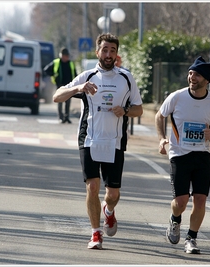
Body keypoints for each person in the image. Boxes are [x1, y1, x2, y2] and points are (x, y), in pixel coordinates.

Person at [52, 33, 143, 249]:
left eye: (112, 50)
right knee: (93, 187)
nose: (109, 54)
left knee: (112, 194)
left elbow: (139, 108)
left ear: (116, 53)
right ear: (97, 52)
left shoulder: (126, 78)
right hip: (89, 139)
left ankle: (108, 211)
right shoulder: (88, 76)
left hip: (115, 141)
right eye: (105, 50)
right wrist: (78, 88)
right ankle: (95, 233)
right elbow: (57, 95)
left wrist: (126, 110)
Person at [154, 56, 210, 254]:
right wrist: (161, 139)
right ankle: (175, 220)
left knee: (200, 200)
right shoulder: (177, 97)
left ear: (207, 80)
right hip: (179, 154)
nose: (192, 77)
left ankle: (191, 238)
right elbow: (160, 115)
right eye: (191, 73)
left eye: (197, 75)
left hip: (202, 156)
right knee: (180, 202)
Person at [44, 47, 77, 123]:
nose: (66, 57)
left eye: (67, 56)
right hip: (60, 85)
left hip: (69, 86)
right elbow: (46, 70)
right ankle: (60, 117)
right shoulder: (56, 62)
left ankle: (66, 117)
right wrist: (54, 76)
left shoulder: (71, 63)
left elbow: (75, 74)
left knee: (68, 102)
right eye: (65, 55)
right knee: (60, 101)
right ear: (61, 55)